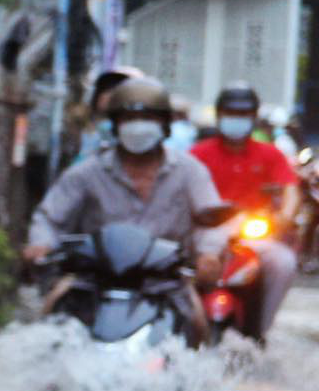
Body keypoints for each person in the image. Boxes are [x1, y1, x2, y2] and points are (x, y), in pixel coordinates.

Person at [25, 77, 228, 302]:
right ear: (116, 124)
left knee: (201, 324)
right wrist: (40, 244)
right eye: (129, 118)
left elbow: (211, 220)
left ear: (164, 124)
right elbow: (50, 217)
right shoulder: (87, 172)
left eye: (147, 118)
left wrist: (209, 254)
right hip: (98, 284)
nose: (138, 126)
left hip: (168, 284)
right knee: (52, 312)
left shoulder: (190, 171)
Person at [190, 81, 298, 340]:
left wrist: (285, 216)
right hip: (205, 233)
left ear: (253, 118)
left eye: (243, 115)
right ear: (219, 116)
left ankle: (260, 329)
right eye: (231, 114)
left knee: (283, 263)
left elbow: (290, 190)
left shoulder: (271, 154)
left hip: (253, 235)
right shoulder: (198, 153)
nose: (236, 120)